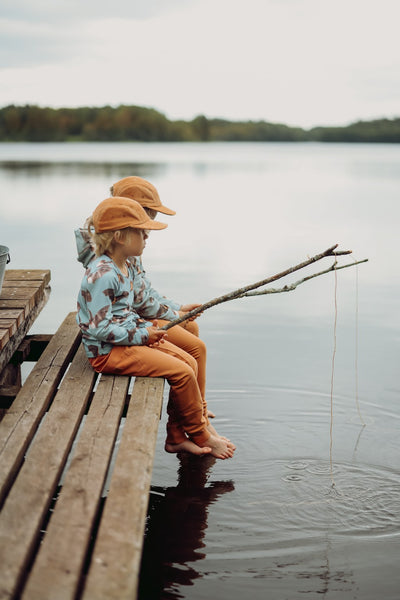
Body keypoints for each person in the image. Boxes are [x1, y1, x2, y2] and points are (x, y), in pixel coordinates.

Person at [76, 196, 235, 459]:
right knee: (183, 372)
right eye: (140, 232)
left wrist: (146, 331)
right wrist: (142, 334)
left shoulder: (123, 265)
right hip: (108, 352)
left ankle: (177, 436)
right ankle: (200, 433)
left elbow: (129, 310)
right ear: (119, 236)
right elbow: (97, 329)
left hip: (126, 341)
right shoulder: (102, 274)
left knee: (189, 362)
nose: (146, 236)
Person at [75, 175, 216, 420]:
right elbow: (140, 302)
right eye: (150, 214)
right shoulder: (115, 253)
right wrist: (174, 316)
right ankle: (193, 415)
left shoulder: (126, 245)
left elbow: (143, 290)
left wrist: (179, 308)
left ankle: (194, 407)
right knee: (193, 349)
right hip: (127, 327)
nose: (151, 224)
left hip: (129, 324)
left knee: (190, 328)